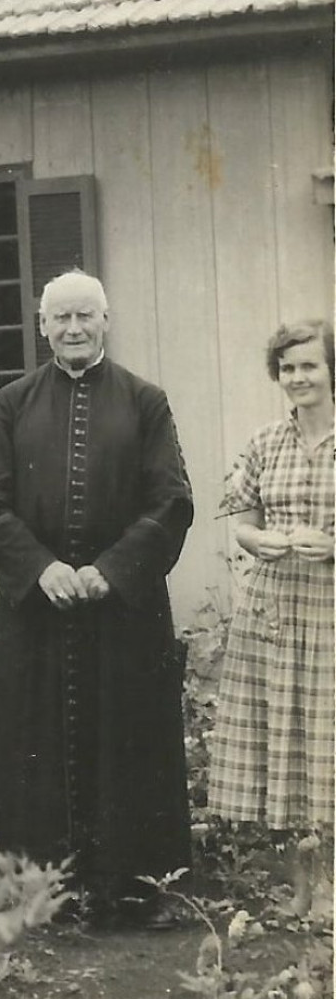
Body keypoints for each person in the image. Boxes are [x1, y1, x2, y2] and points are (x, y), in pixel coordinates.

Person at [0, 269, 193, 928]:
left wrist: (112, 569)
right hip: (37, 611)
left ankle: (130, 890)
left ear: (105, 320)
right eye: (59, 317)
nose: (72, 327)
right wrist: (39, 569)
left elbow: (172, 500)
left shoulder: (146, 401)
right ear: (42, 325)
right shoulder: (11, 402)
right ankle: (39, 892)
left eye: (84, 316)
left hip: (123, 612)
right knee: (33, 743)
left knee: (127, 742)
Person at [209, 319, 334, 915]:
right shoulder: (263, 443)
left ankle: (332, 891)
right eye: (287, 368)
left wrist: (332, 544)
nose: (298, 377)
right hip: (275, 612)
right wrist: (256, 541)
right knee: (288, 749)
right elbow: (243, 522)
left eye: (309, 365)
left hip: (331, 611)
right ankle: (302, 890)